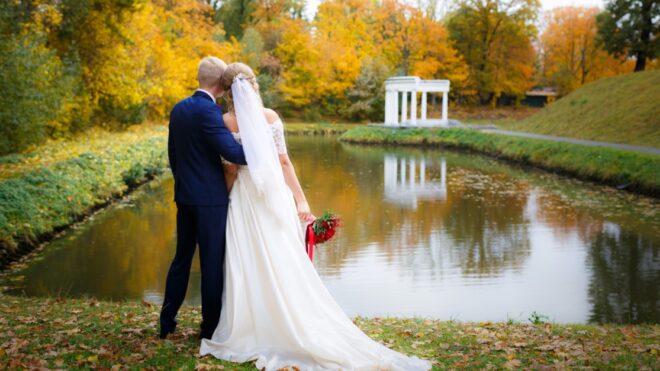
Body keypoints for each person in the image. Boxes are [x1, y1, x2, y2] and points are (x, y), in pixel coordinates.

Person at [199, 62, 431, 371]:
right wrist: (301, 200)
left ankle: (253, 324)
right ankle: (293, 317)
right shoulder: (271, 118)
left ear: (226, 91)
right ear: (254, 85)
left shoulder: (226, 121)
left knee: (248, 260)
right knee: (284, 259)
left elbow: (230, 168)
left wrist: (226, 196)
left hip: (245, 200)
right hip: (274, 198)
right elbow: (284, 163)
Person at [160, 57, 247, 340]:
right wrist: (263, 154)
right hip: (210, 200)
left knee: (181, 258)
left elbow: (174, 155)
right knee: (211, 263)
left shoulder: (179, 109)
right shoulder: (209, 112)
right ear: (221, 84)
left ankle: (167, 319)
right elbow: (232, 153)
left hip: (184, 196)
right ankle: (209, 328)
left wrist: (183, 185)